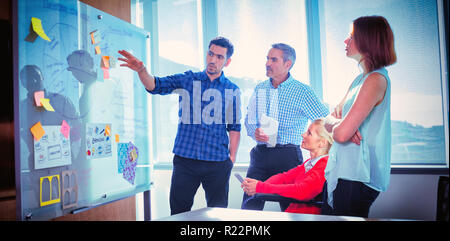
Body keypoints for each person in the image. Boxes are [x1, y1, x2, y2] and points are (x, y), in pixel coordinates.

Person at [118, 37, 241, 215]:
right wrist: (142, 70)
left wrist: (232, 159)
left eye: (219, 57)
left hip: (217, 162)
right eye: (211, 54)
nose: (213, 60)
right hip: (186, 160)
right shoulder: (188, 80)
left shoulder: (233, 90)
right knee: (178, 212)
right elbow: (155, 85)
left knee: (218, 213)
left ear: (227, 61)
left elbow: (234, 127)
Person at [322, 16, 397, 218]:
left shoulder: (375, 80)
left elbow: (340, 135)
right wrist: (341, 125)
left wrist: (341, 128)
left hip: (356, 177)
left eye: (351, 37)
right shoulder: (359, 80)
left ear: (368, 40)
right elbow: (327, 120)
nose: (345, 41)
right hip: (345, 172)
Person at [242, 43, 329, 210]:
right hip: (260, 154)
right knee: (249, 203)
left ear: (287, 64)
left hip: (287, 156)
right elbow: (249, 120)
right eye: (267, 59)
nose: (268, 63)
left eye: (274, 59)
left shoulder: (303, 92)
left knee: (292, 208)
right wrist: (255, 132)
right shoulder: (260, 88)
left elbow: (324, 120)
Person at [241, 119, 333, 214]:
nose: (303, 135)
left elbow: (302, 191)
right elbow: (284, 177)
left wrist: (261, 187)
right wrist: (256, 186)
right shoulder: (309, 163)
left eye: (309, 133)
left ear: (322, 143)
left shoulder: (324, 164)